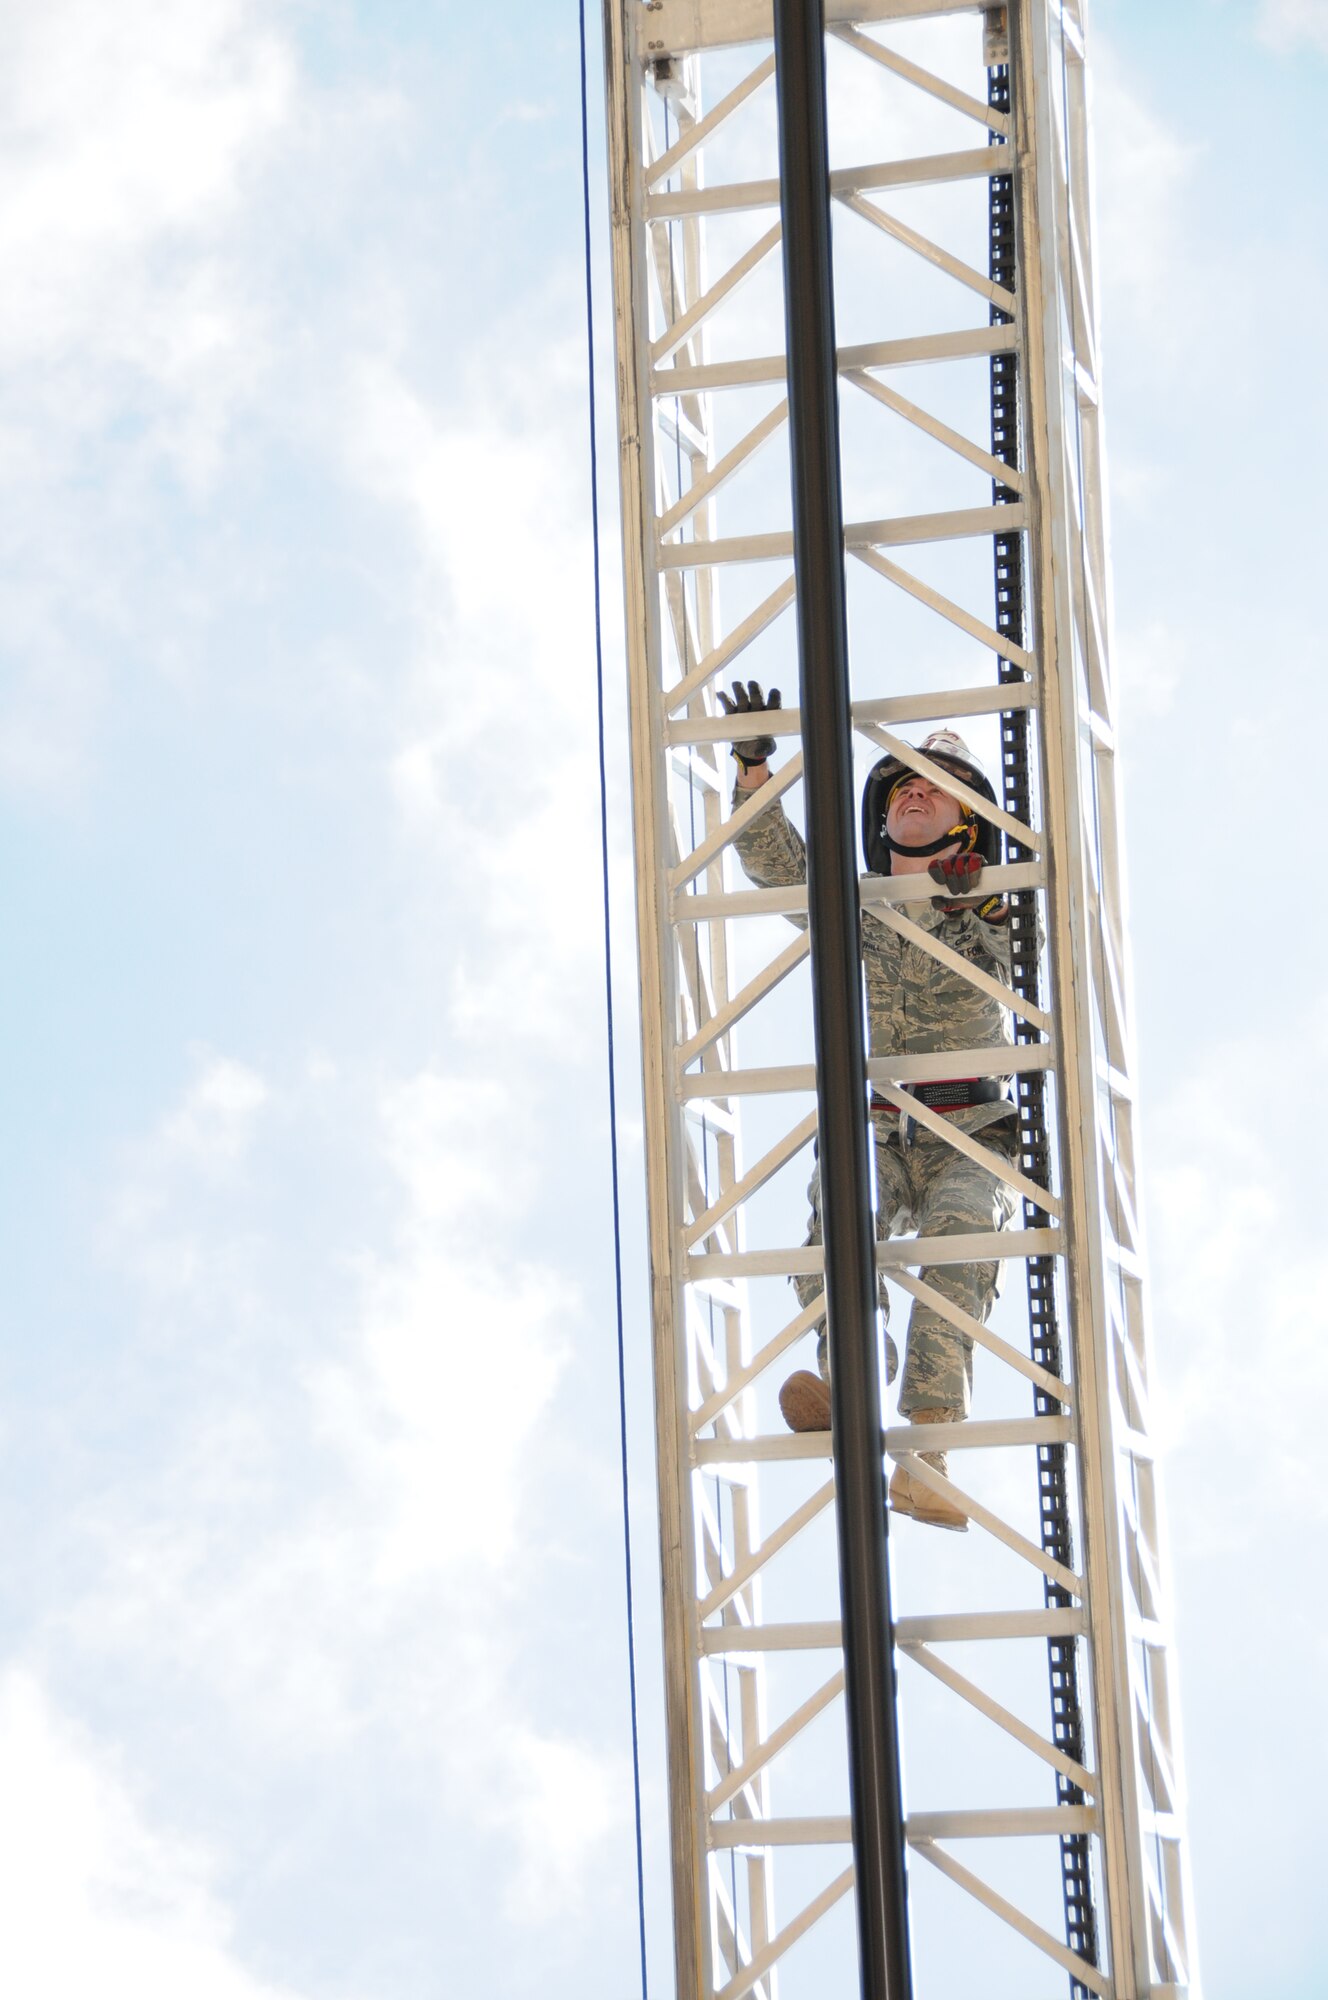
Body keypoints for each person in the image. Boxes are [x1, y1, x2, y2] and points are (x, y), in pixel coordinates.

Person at [718, 680, 1022, 1531]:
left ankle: (929, 1453)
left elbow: (1019, 953)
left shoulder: (1000, 903)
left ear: (967, 822)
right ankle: (845, 1378)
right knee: (838, 1223)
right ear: (882, 819)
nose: (915, 794)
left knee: (963, 1245)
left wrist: (972, 901)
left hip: (969, 1129)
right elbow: (780, 865)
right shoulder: (856, 908)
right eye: (903, 787)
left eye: (935, 788)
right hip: (883, 1124)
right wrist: (751, 770)